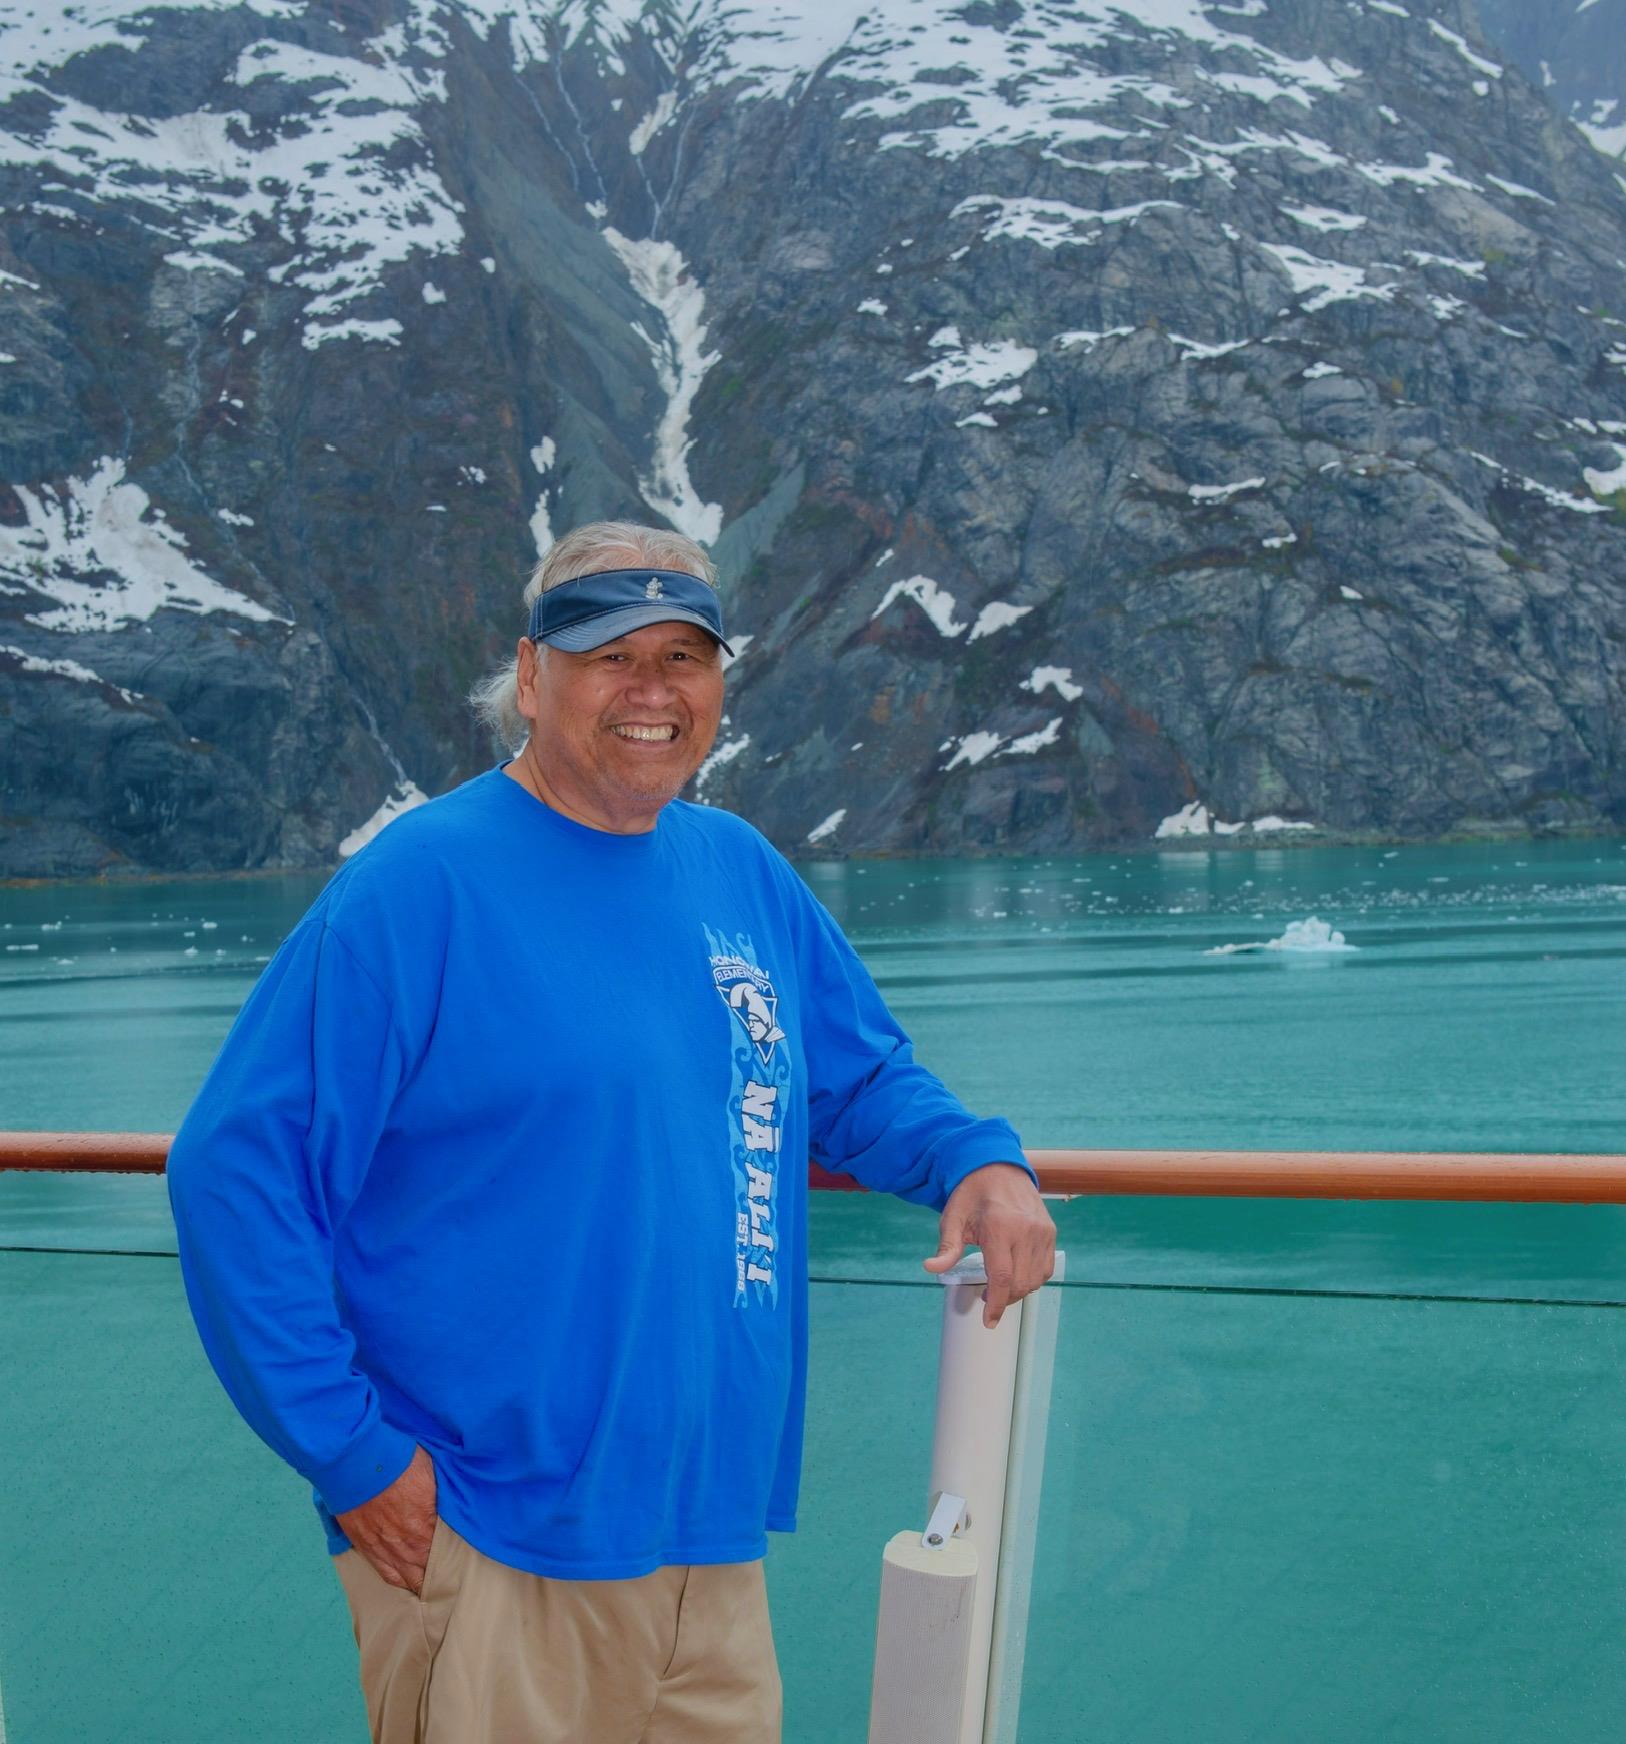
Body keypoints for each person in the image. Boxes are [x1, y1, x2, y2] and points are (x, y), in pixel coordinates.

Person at [167, 520, 1058, 1744]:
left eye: (683, 656)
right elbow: (236, 1173)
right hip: (491, 1534)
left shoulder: (736, 868)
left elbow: (852, 1082)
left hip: (706, 1535)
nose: (652, 690)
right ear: (531, 678)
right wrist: (353, 1456)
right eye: (609, 654)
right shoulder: (420, 882)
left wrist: (977, 1155)